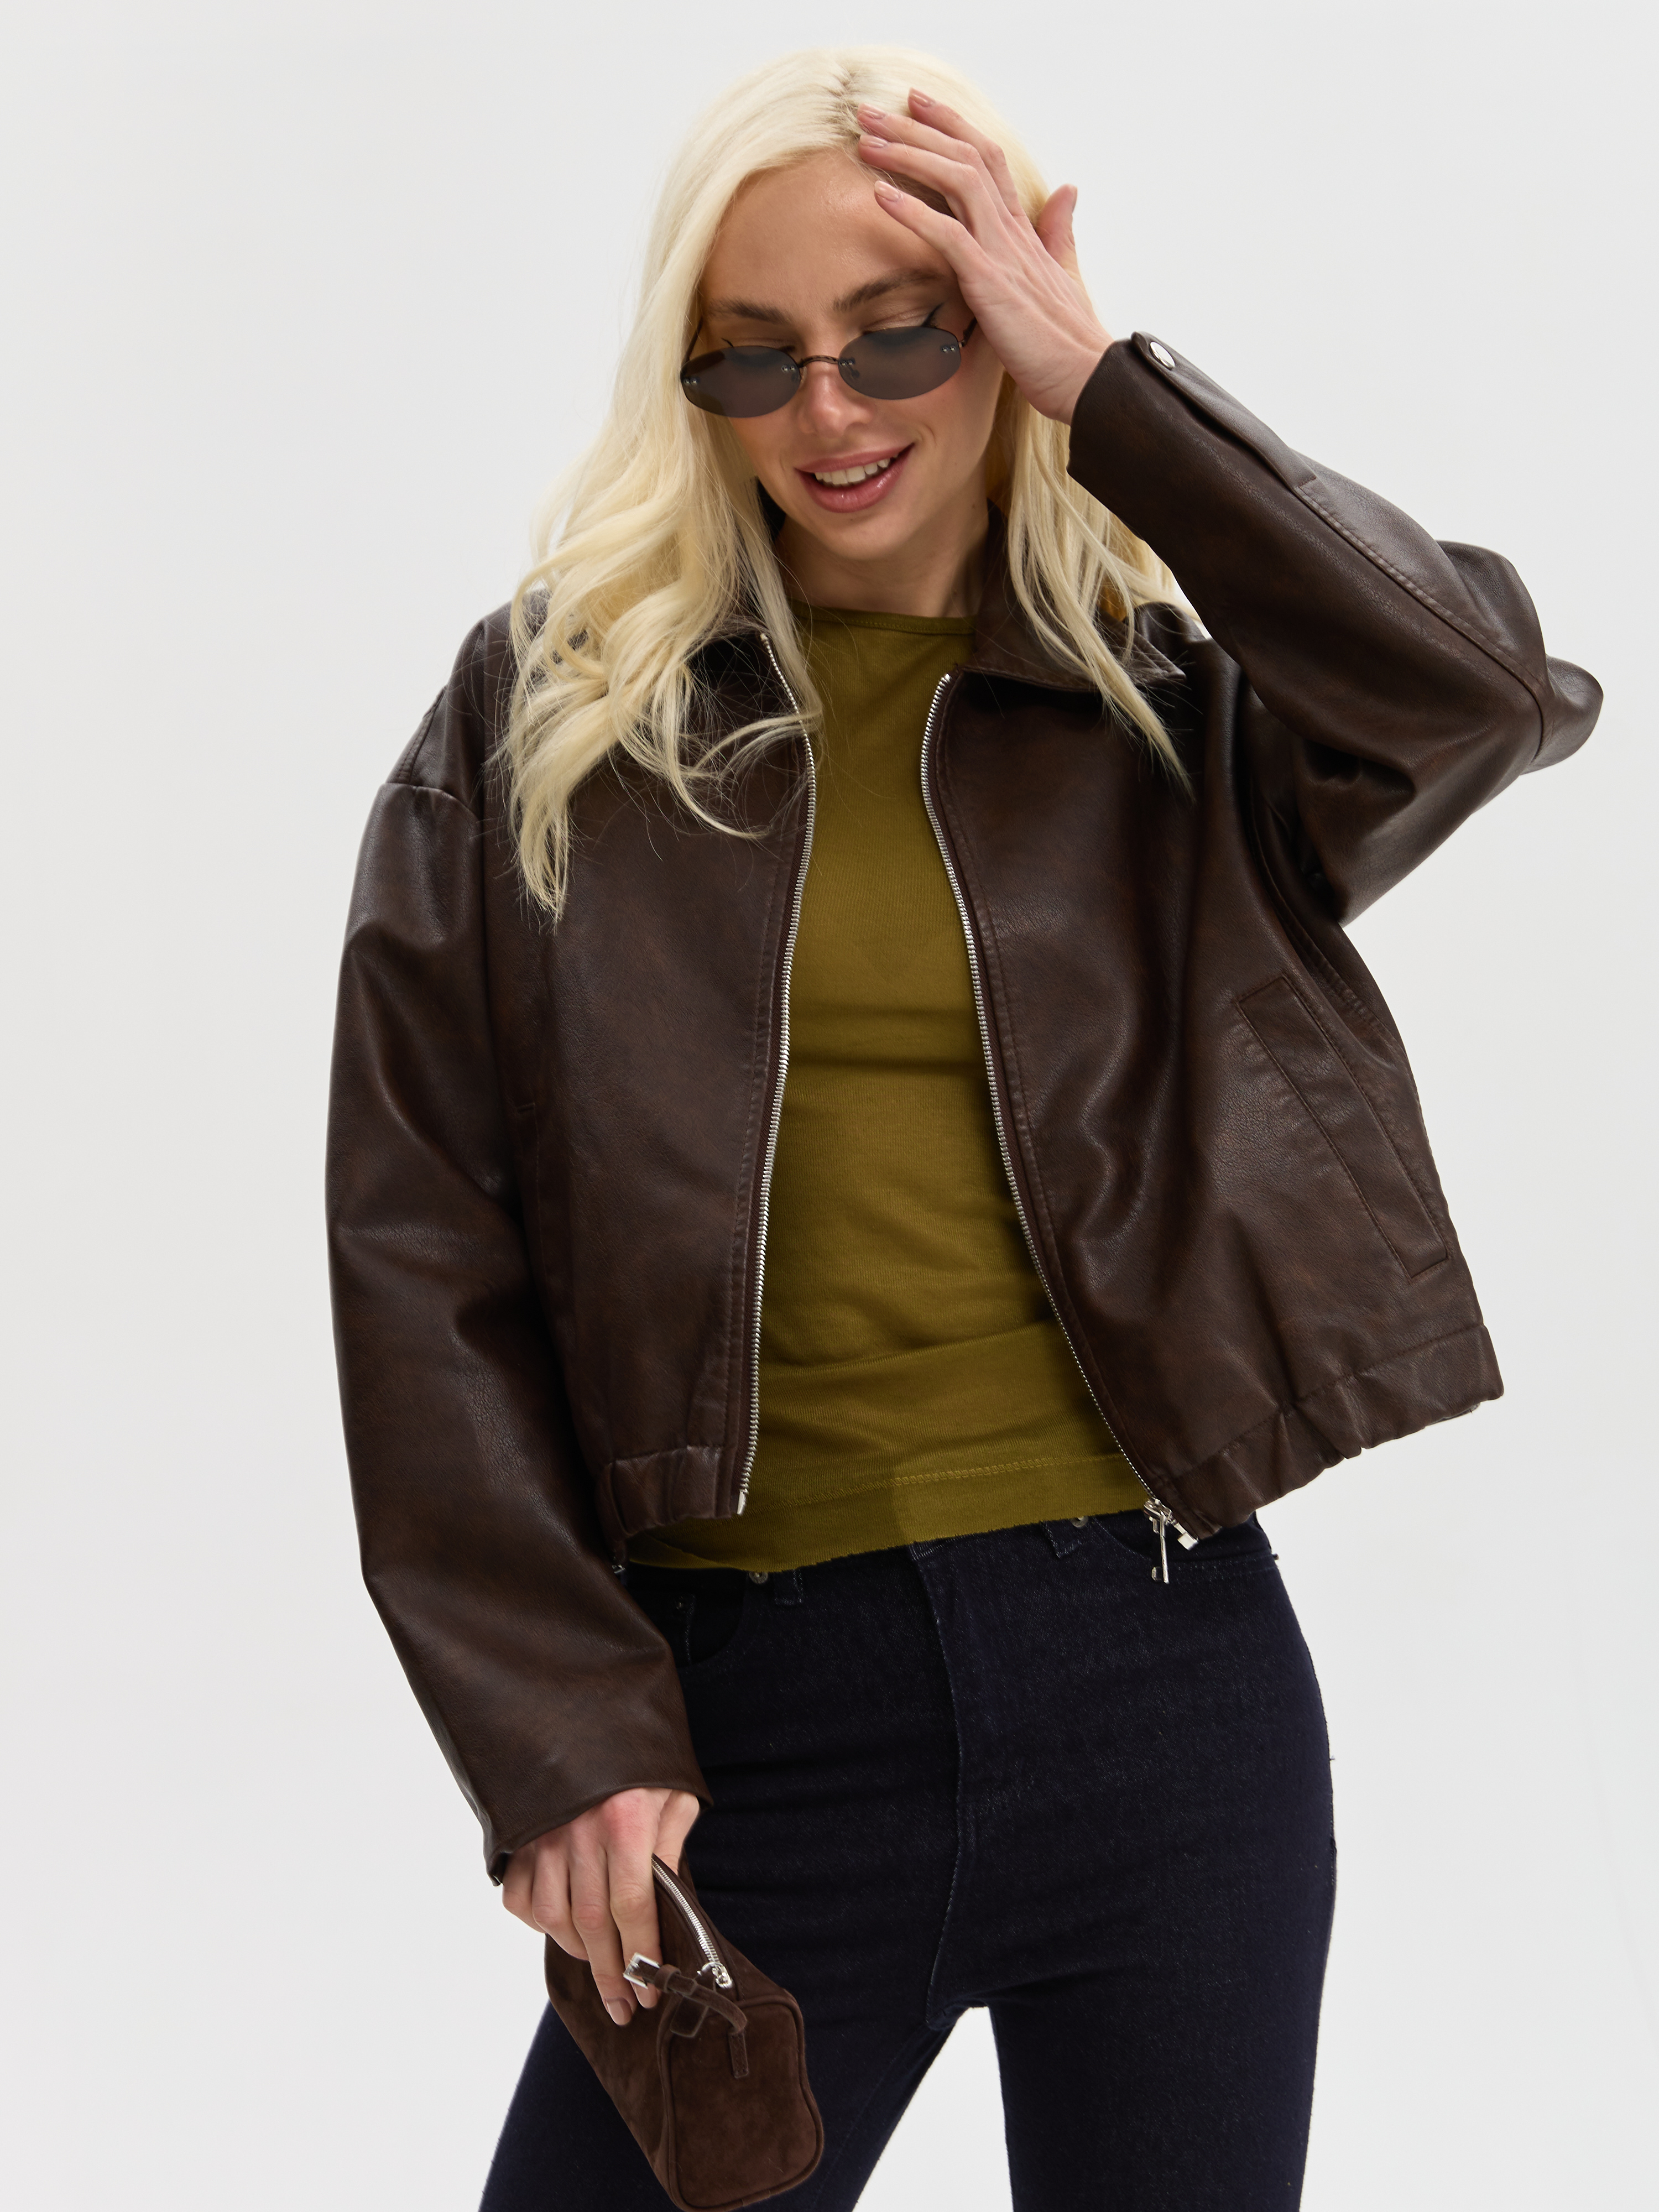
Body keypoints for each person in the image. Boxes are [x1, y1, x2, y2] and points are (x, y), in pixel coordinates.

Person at [325, 44, 1599, 2212]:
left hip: (1166, 1686)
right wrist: (557, 1727)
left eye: (902, 332)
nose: (830, 409)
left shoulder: (1165, 702)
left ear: (1001, 316)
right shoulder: (553, 716)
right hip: (747, 1724)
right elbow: (421, 1242)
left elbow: (1476, 697)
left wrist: (1113, 392)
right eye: (755, 355)